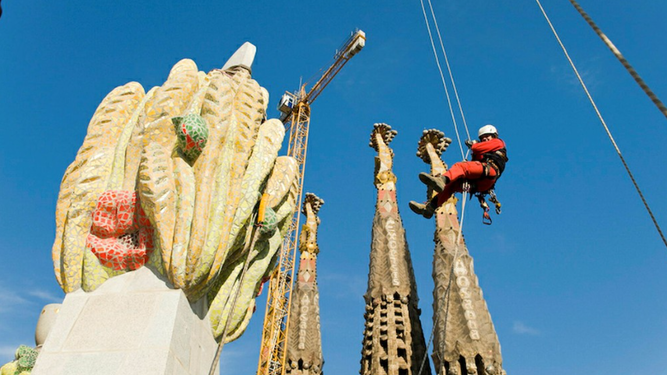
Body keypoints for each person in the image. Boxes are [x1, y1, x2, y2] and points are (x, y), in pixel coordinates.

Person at [409, 124, 508, 219]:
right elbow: (477, 157)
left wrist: (474, 145)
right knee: (451, 186)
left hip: (489, 171)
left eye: (487, 136)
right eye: (483, 138)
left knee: (460, 166)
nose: (485, 139)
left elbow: (477, 148)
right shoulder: (487, 148)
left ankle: (442, 179)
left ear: (494, 136)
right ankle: (430, 208)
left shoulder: (498, 142)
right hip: (481, 183)